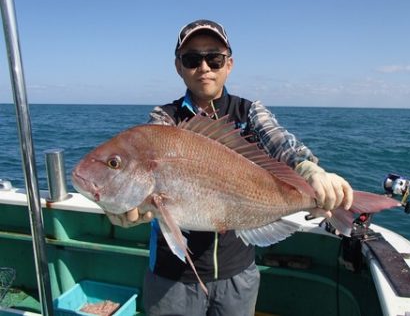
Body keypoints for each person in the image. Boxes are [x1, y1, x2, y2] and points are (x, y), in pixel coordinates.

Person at [107, 19, 354, 316]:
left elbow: (280, 142)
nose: (204, 67)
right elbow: (139, 162)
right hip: (171, 277)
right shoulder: (165, 119)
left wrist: (309, 170)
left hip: (237, 273)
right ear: (178, 67)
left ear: (229, 64)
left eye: (214, 58)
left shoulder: (249, 113)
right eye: (191, 59)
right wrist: (123, 204)